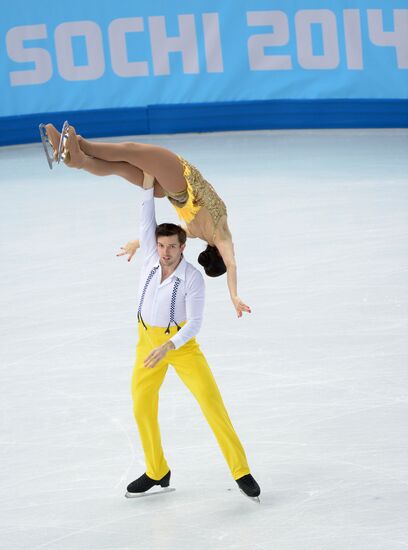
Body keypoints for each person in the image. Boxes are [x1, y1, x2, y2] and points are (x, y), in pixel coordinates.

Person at [118, 174, 261, 499]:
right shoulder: (150, 260)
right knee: (141, 406)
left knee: (211, 404)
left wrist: (169, 345)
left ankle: (241, 471)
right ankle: (157, 470)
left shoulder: (192, 279)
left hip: (181, 345)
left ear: (183, 248)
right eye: (161, 245)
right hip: (146, 342)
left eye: (172, 247)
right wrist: (147, 181)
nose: (165, 252)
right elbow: (146, 216)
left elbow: (194, 324)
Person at [42, 123, 251, 318]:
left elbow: (232, 265)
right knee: (120, 167)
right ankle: (77, 160)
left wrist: (234, 295)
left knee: (129, 151)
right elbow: (167, 235)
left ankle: (79, 145)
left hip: (180, 179)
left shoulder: (221, 234)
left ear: (221, 256)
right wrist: (138, 242)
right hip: (168, 190)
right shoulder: (194, 232)